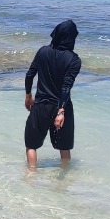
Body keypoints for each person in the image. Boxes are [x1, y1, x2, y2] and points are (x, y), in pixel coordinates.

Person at [24, 20, 83, 167]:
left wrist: (28, 96)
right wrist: (61, 111)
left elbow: (30, 75)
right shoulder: (74, 60)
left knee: (31, 144)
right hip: (61, 107)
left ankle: (31, 175)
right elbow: (66, 87)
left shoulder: (43, 51)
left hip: (41, 106)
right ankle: (63, 182)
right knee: (64, 146)